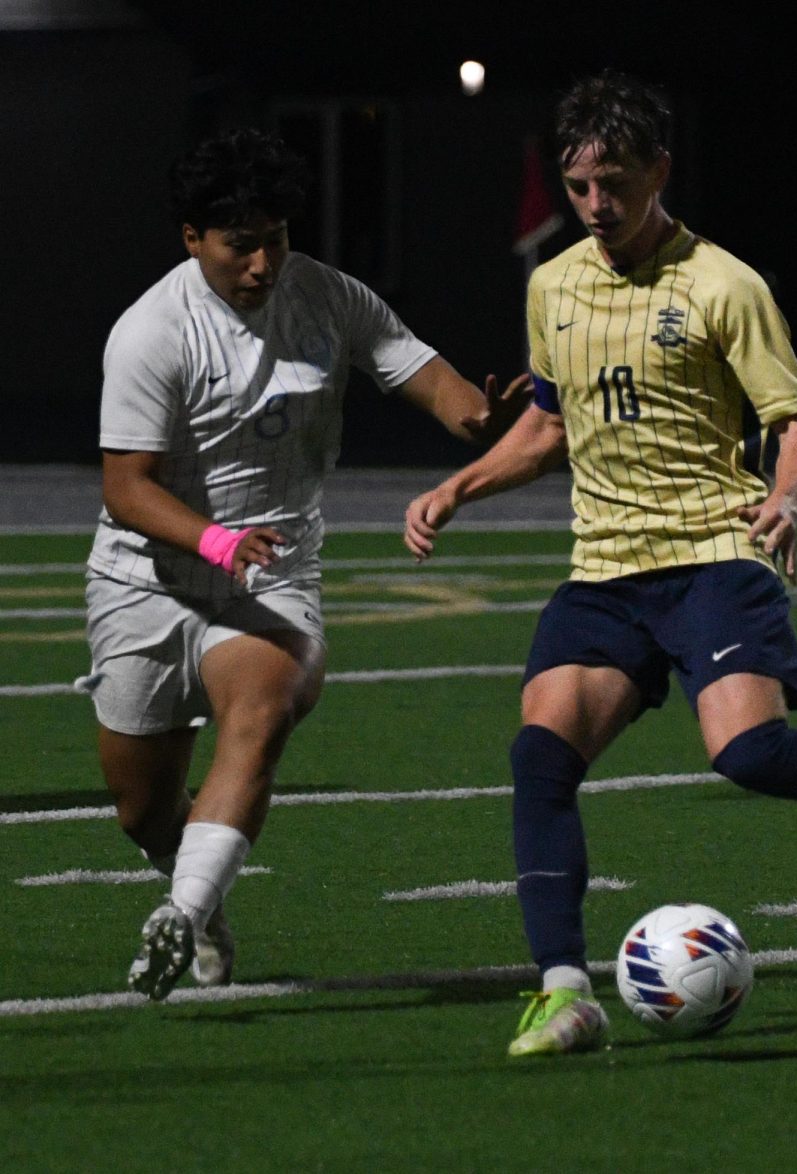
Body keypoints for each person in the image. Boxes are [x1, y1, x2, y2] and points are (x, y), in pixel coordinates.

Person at [404, 71, 797, 1059]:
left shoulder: (725, 286)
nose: (597, 206)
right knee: (540, 755)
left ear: (660, 169)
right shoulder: (553, 285)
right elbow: (547, 427)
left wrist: (786, 498)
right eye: (579, 187)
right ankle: (564, 990)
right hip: (607, 568)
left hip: (713, 554)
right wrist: (461, 487)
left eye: (614, 182)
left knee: (750, 755)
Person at [82, 127, 527, 1001]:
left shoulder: (326, 296)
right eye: (238, 243)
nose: (261, 261)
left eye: (274, 237)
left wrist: (480, 417)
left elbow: (419, 369)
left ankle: (180, 916)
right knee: (140, 809)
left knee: (261, 711)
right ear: (193, 239)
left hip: (271, 574)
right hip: (147, 578)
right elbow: (127, 489)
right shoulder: (150, 332)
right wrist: (214, 539)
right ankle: (195, 895)